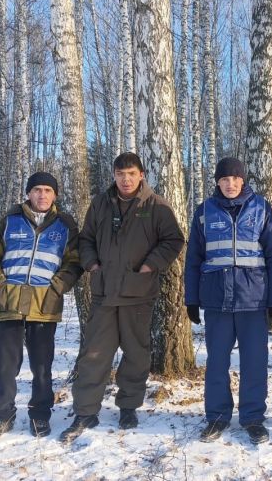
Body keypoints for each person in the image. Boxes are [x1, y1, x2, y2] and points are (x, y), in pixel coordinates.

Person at [59, 152, 185, 444]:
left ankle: (128, 406)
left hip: (138, 293)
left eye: (131, 174)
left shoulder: (156, 206)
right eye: (120, 174)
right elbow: (86, 239)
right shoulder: (100, 203)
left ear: (141, 175)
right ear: (113, 176)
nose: (125, 179)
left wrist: (149, 265)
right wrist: (91, 264)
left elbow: (174, 240)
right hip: (104, 293)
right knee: (93, 354)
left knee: (136, 354)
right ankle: (86, 411)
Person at [184, 157, 272, 444]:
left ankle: (253, 418)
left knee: (254, 361)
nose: (230, 184)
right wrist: (191, 299)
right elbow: (193, 258)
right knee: (217, 361)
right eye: (224, 179)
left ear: (244, 180)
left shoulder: (261, 208)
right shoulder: (204, 211)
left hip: (253, 299)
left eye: (235, 179)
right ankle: (217, 417)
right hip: (217, 299)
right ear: (217, 182)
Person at [0, 172, 83, 441]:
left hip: (44, 305)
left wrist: (57, 287)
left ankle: (39, 415)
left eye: (48, 190)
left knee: (42, 366)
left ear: (55, 195)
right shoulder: (9, 221)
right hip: (8, 304)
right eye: (37, 190)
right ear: (28, 193)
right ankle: (3, 415)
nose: (42, 195)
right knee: (5, 365)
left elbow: (74, 262)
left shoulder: (65, 227)